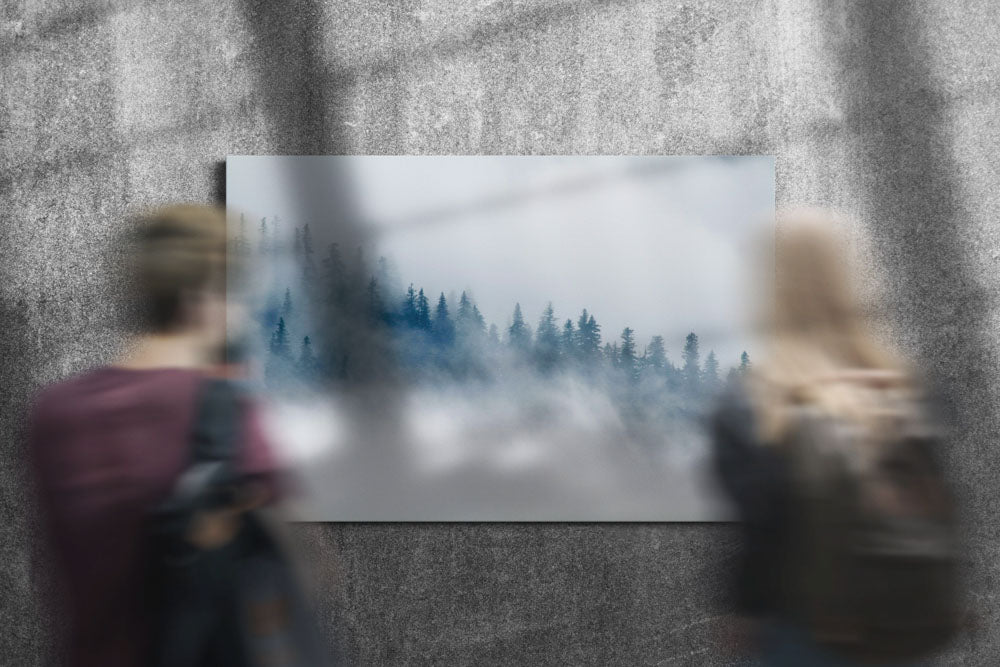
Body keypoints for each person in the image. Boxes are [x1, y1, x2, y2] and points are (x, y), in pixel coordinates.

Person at [28, 205, 283, 666]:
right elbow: (284, 586)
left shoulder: (54, 412)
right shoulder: (227, 413)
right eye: (235, 293)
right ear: (200, 296)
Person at [711, 208, 962, 666]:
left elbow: (761, 533)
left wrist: (744, 613)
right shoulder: (908, 388)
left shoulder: (755, 401)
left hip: (805, 633)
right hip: (905, 625)